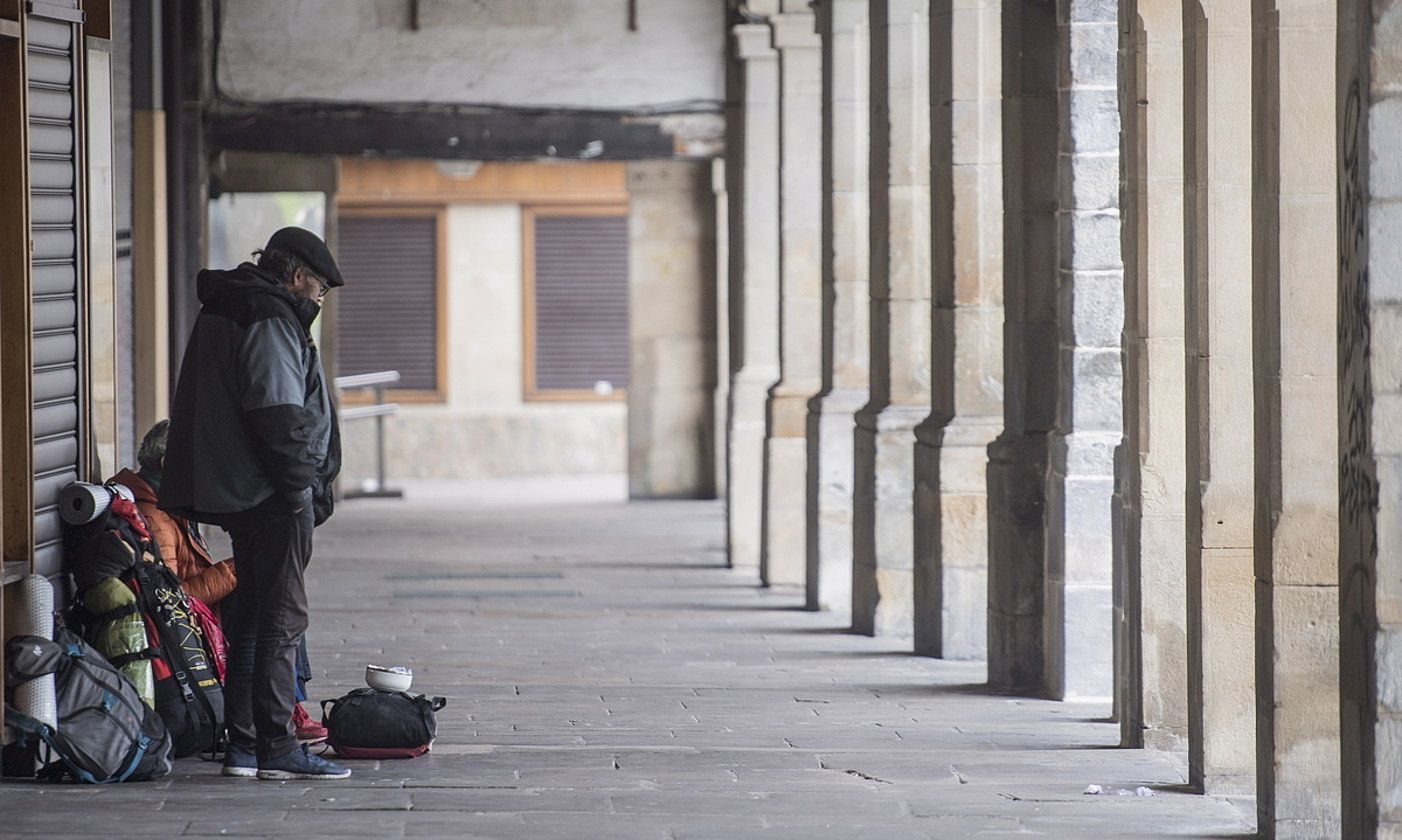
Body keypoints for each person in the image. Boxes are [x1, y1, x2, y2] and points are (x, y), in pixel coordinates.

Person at [160, 227, 347, 781]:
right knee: (283, 617)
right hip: (270, 493)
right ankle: (277, 747)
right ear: (294, 276)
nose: (318, 302)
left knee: (252, 614)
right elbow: (277, 412)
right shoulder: (267, 315)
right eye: (318, 289)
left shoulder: (234, 304)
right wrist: (299, 491)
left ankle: (244, 745)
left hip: (242, 488)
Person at [111, 420, 329, 745]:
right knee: (276, 599)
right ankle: (288, 707)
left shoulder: (168, 502)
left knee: (280, 591)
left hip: (202, 613)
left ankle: (290, 702)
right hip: (190, 628)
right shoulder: (156, 518)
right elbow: (170, 601)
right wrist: (237, 569)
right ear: (168, 464)